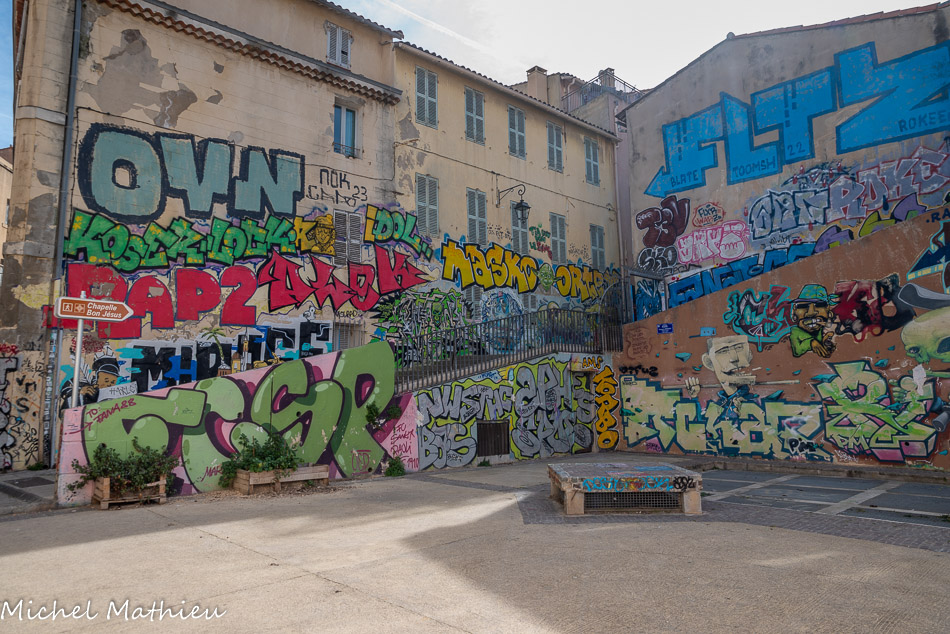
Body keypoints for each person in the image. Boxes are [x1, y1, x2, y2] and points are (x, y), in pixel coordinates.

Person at [789, 284, 838, 358]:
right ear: (794, 311)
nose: (810, 313)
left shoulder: (822, 330)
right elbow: (797, 350)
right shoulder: (795, 331)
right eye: (803, 306)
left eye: (819, 305)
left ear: (828, 310)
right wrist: (811, 343)